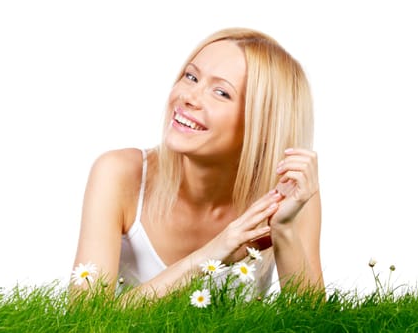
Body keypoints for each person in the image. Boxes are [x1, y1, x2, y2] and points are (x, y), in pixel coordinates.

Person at [72, 27, 323, 298]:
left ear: (263, 126)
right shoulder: (119, 174)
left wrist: (283, 230)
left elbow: (315, 324)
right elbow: (87, 319)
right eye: (191, 77)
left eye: (221, 92)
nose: (188, 97)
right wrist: (213, 253)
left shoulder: (289, 195)